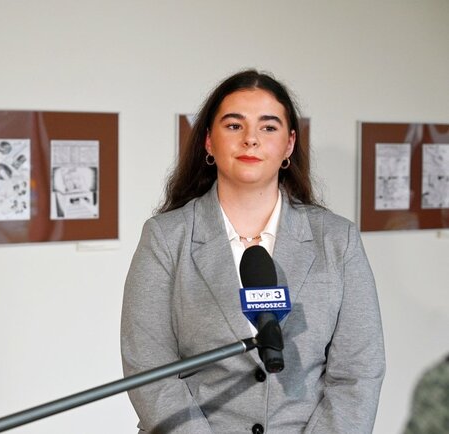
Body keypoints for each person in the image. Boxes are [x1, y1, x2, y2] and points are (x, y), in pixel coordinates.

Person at [120, 69, 385, 433]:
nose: (250, 139)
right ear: (208, 141)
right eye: (234, 126)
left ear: (289, 144)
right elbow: (148, 365)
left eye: (268, 127)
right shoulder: (166, 237)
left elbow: (358, 372)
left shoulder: (338, 240)